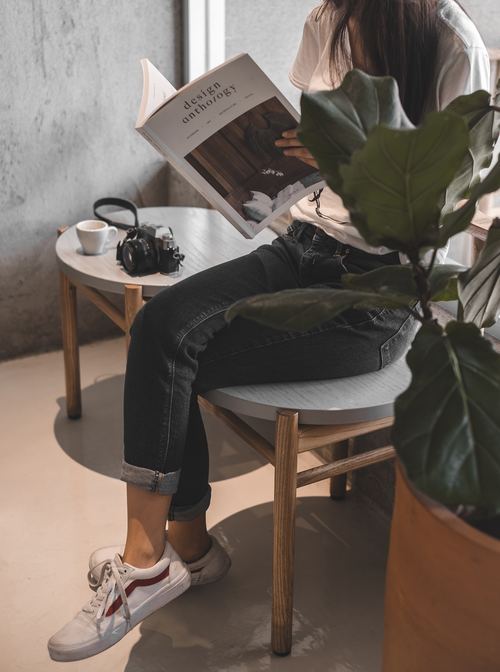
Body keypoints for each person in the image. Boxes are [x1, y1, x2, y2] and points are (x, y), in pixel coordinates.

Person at [48, 0, 490, 661]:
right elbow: (309, 146)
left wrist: (366, 160)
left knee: (175, 356)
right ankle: (181, 552)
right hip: (302, 245)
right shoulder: (330, 19)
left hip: (377, 294)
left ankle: (157, 560)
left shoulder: (450, 41)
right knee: (161, 325)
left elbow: (458, 207)